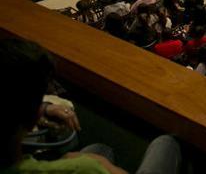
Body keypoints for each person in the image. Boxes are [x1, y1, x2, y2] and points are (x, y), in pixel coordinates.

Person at [0, 38, 181, 174]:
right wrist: (96, 165)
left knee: (100, 149)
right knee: (166, 143)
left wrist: (45, 106)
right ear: (32, 117)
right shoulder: (86, 169)